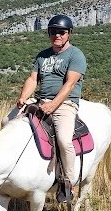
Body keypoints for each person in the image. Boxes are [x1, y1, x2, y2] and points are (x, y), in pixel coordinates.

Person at [16, 15, 86, 201]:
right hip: (41, 100)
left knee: (64, 140)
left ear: (69, 33)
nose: (57, 35)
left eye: (62, 32)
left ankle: (68, 182)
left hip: (65, 103)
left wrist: (53, 105)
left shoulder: (76, 55)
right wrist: (23, 97)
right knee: (8, 121)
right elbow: (33, 79)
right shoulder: (42, 55)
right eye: (53, 32)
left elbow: (70, 84)